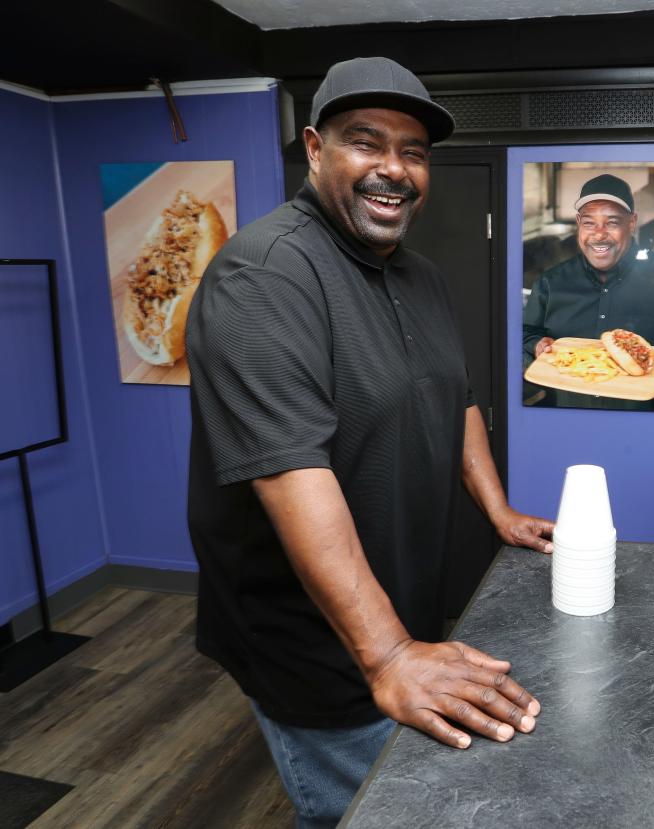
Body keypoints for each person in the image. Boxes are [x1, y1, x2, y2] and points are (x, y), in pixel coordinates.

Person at [185, 57, 552, 828]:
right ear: (316, 150)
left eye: (413, 151)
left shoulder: (421, 276)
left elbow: (460, 402)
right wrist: (386, 654)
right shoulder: (263, 277)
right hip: (312, 638)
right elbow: (290, 472)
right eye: (366, 142)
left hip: (400, 604)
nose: (393, 168)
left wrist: (499, 511)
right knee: (369, 811)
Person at [522, 173, 654, 411]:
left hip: (646, 423)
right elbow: (525, 337)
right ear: (578, 222)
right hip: (565, 419)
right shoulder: (551, 283)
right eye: (589, 223)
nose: (599, 234)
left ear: (631, 222)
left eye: (612, 222)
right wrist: (535, 345)